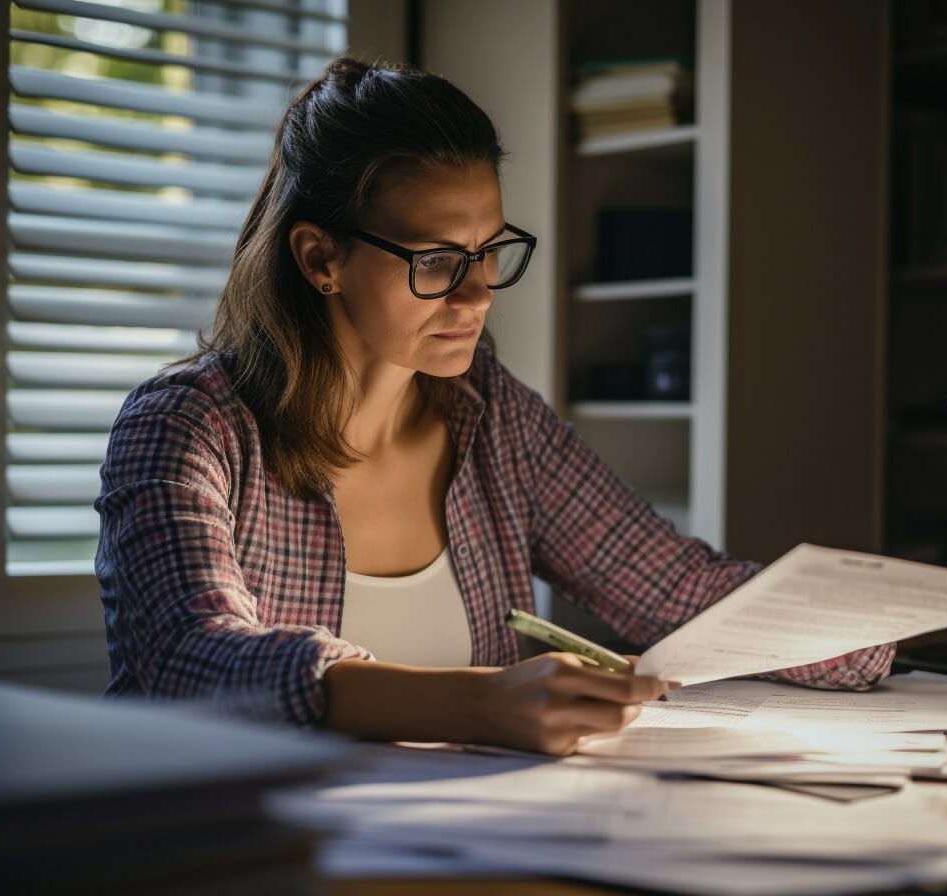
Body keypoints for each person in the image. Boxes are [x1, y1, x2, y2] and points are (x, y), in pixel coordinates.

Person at [94, 59, 895, 756]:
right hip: (234, 857)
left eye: (488, 254)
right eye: (439, 260)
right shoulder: (187, 427)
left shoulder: (492, 418)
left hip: (457, 852)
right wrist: (483, 702)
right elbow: (192, 660)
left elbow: (676, 589)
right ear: (319, 257)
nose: (478, 295)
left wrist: (877, 633)